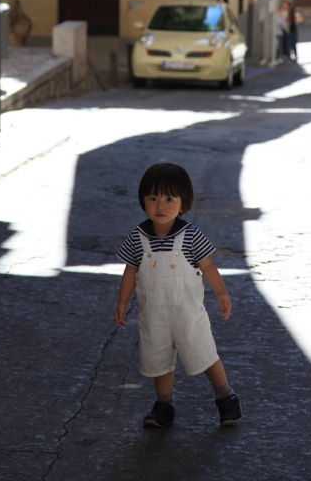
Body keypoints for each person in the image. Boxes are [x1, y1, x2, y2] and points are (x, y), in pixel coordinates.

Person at [114, 162, 242, 428]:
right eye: (153, 198)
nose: (160, 206)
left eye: (169, 198)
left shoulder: (191, 235)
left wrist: (221, 293)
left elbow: (207, 265)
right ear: (143, 201)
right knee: (158, 358)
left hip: (188, 313)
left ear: (183, 204)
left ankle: (225, 396)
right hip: (154, 313)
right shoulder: (138, 237)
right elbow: (130, 271)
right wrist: (123, 301)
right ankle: (164, 405)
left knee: (203, 353)